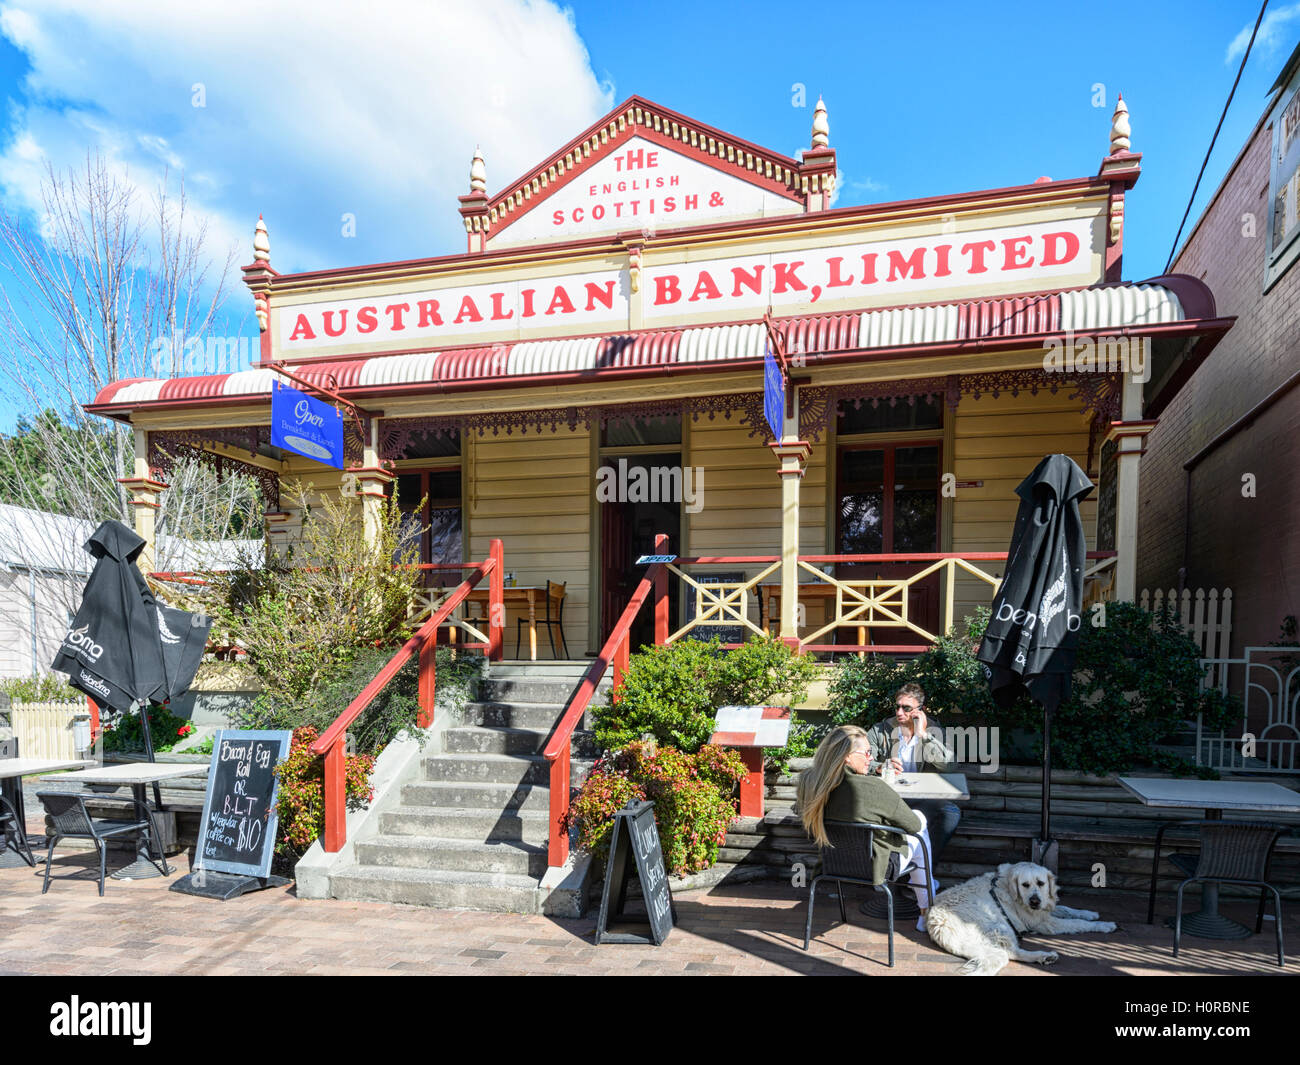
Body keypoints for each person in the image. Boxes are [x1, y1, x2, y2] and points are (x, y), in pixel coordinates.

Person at [797, 724, 937, 929]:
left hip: (833, 864)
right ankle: (926, 910)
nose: (871, 758)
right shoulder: (873, 787)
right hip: (876, 867)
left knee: (917, 826)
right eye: (867, 753)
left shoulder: (810, 783)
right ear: (847, 756)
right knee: (921, 827)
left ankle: (929, 897)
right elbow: (912, 824)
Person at [864, 682, 962, 858]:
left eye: (906, 708)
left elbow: (950, 765)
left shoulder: (934, 730)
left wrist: (923, 735)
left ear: (921, 710)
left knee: (950, 812)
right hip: (888, 798)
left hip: (923, 799)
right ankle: (891, 868)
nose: (899, 712)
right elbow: (860, 760)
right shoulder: (881, 730)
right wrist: (879, 767)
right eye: (897, 707)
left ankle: (924, 865)